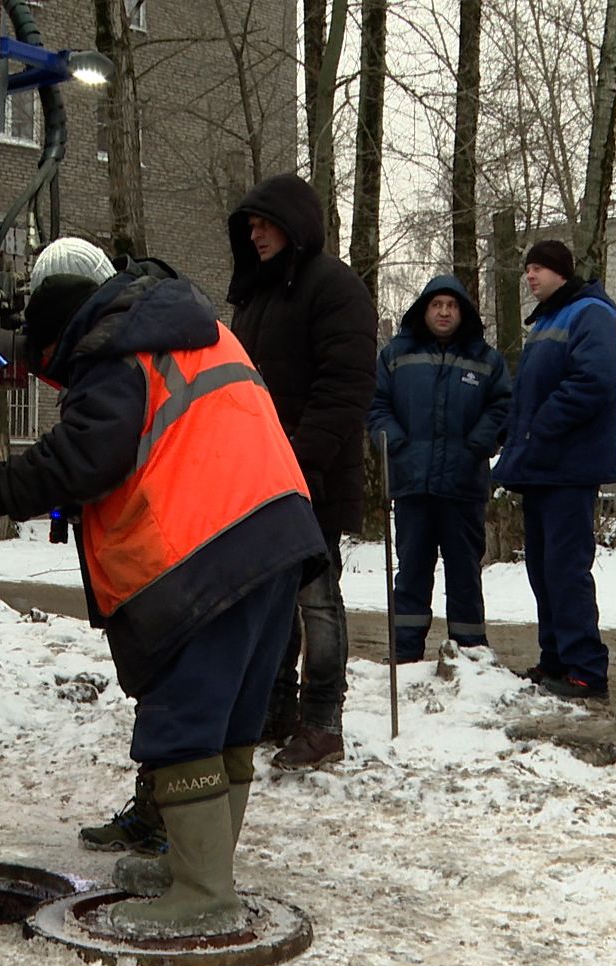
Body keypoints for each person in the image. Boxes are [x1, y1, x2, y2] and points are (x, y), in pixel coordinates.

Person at [0, 237, 325, 940]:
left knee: (183, 721)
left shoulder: (117, 345)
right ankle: (197, 868)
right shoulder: (184, 330)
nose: (62, 386)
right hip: (275, 533)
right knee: (230, 720)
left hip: (206, 548)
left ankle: (203, 894)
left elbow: (89, 453)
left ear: (64, 329)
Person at [225, 174, 377, 771]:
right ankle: (275, 707)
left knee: (316, 598)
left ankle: (322, 722)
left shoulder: (336, 288)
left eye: (263, 222)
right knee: (271, 601)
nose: (254, 233)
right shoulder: (256, 295)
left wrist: (297, 463)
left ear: (293, 222)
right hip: (259, 476)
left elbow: (345, 389)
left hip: (311, 477)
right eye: (249, 225)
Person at [492, 239, 616, 700]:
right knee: (544, 569)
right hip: (541, 467)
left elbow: (594, 381)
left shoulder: (590, 313)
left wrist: (538, 428)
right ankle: (556, 661)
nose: (531, 277)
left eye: (540, 269)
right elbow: (528, 393)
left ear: (562, 273)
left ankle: (586, 669)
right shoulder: (547, 319)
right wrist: (511, 434)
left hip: (569, 466)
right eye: (527, 269)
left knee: (566, 569)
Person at [368, 275, 512, 662]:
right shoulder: (395, 355)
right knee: (412, 570)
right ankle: (405, 652)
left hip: (463, 484)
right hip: (411, 483)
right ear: (424, 310)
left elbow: (502, 408)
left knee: (464, 573)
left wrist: (477, 445)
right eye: (436, 305)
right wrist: (394, 443)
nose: (444, 312)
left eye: (451, 305)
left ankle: (470, 655)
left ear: (462, 312)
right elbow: (377, 406)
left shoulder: (486, 360)